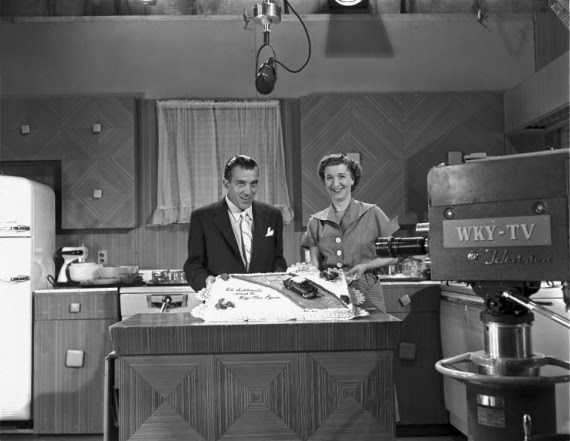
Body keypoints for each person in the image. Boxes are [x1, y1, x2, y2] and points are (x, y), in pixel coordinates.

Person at [301, 153, 398, 311]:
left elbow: (394, 256)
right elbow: (314, 265)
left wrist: (365, 266)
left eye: (341, 176)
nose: (335, 183)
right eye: (329, 178)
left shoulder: (373, 213)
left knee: (371, 327)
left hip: (366, 289)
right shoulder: (315, 221)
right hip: (329, 291)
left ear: (352, 179)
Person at [183, 154, 287, 291]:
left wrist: (275, 280)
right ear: (226, 184)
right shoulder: (202, 218)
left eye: (253, 184)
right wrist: (207, 282)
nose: (248, 191)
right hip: (221, 298)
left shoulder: (273, 215)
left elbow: (278, 260)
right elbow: (193, 265)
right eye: (241, 184)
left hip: (264, 298)